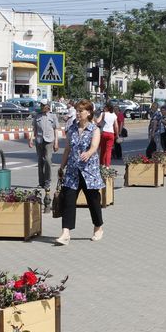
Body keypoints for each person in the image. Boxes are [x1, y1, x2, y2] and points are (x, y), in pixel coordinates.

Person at [55, 99, 104, 246]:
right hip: (72, 171)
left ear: (88, 112)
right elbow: (68, 149)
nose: (77, 113)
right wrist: (61, 167)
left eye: (80, 111)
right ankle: (65, 233)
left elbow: (95, 146)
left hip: (89, 172)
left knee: (93, 201)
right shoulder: (72, 129)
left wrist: (89, 153)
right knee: (68, 201)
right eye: (76, 110)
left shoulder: (94, 129)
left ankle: (98, 227)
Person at [28, 98, 60, 191]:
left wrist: (56, 142)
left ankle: (47, 181)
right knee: (40, 161)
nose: (42, 107)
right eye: (41, 105)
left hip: (49, 140)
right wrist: (31, 139)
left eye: (44, 105)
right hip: (39, 140)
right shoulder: (37, 116)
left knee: (48, 160)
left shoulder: (53, 116)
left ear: (48, 106)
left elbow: (56, 129)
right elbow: (34, 129)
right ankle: (41, 182)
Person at [94, 102, 118, 167]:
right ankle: (107, 166)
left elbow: (98, 121)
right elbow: (116, 126)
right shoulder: (114, 115)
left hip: (103, 133)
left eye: (104, 107)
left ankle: (102, 164)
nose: (104, 108)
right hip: (111, 134)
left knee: (103, 150)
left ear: (107, 108)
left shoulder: (103, 114)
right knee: (109, 150)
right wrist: (117, 135)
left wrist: (94, 117)